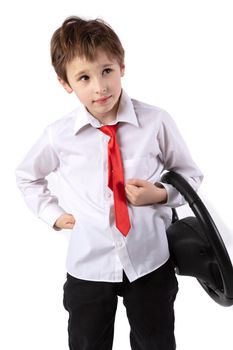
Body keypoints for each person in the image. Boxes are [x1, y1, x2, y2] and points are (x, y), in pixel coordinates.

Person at [15, 16, 203, 350]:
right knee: (87, 343)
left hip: (150, 259)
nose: (100, 87)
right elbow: (27, 176)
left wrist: (159, 194)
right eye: (84, 77)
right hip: (89, 263)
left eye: (106, 71)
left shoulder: (155, 121)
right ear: (66, 83)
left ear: (122, 66)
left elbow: (190, 175)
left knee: (156, 342)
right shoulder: (59, 135)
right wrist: (52, 215)